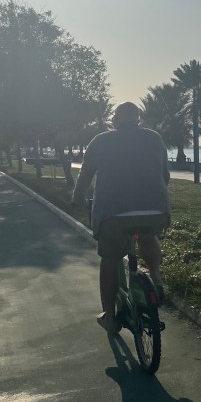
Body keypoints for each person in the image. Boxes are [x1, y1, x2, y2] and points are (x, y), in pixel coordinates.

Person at [72, 102, 170, 334]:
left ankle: (110, 317)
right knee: (148, 236)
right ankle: (156, 277)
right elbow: (164, 175)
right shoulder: (154, 138)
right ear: (138, 119)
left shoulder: (100, 140)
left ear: (115, 120)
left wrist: (77, 199)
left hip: (113, 215)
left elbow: (85, 175)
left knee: (110, 258)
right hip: (156, 211)